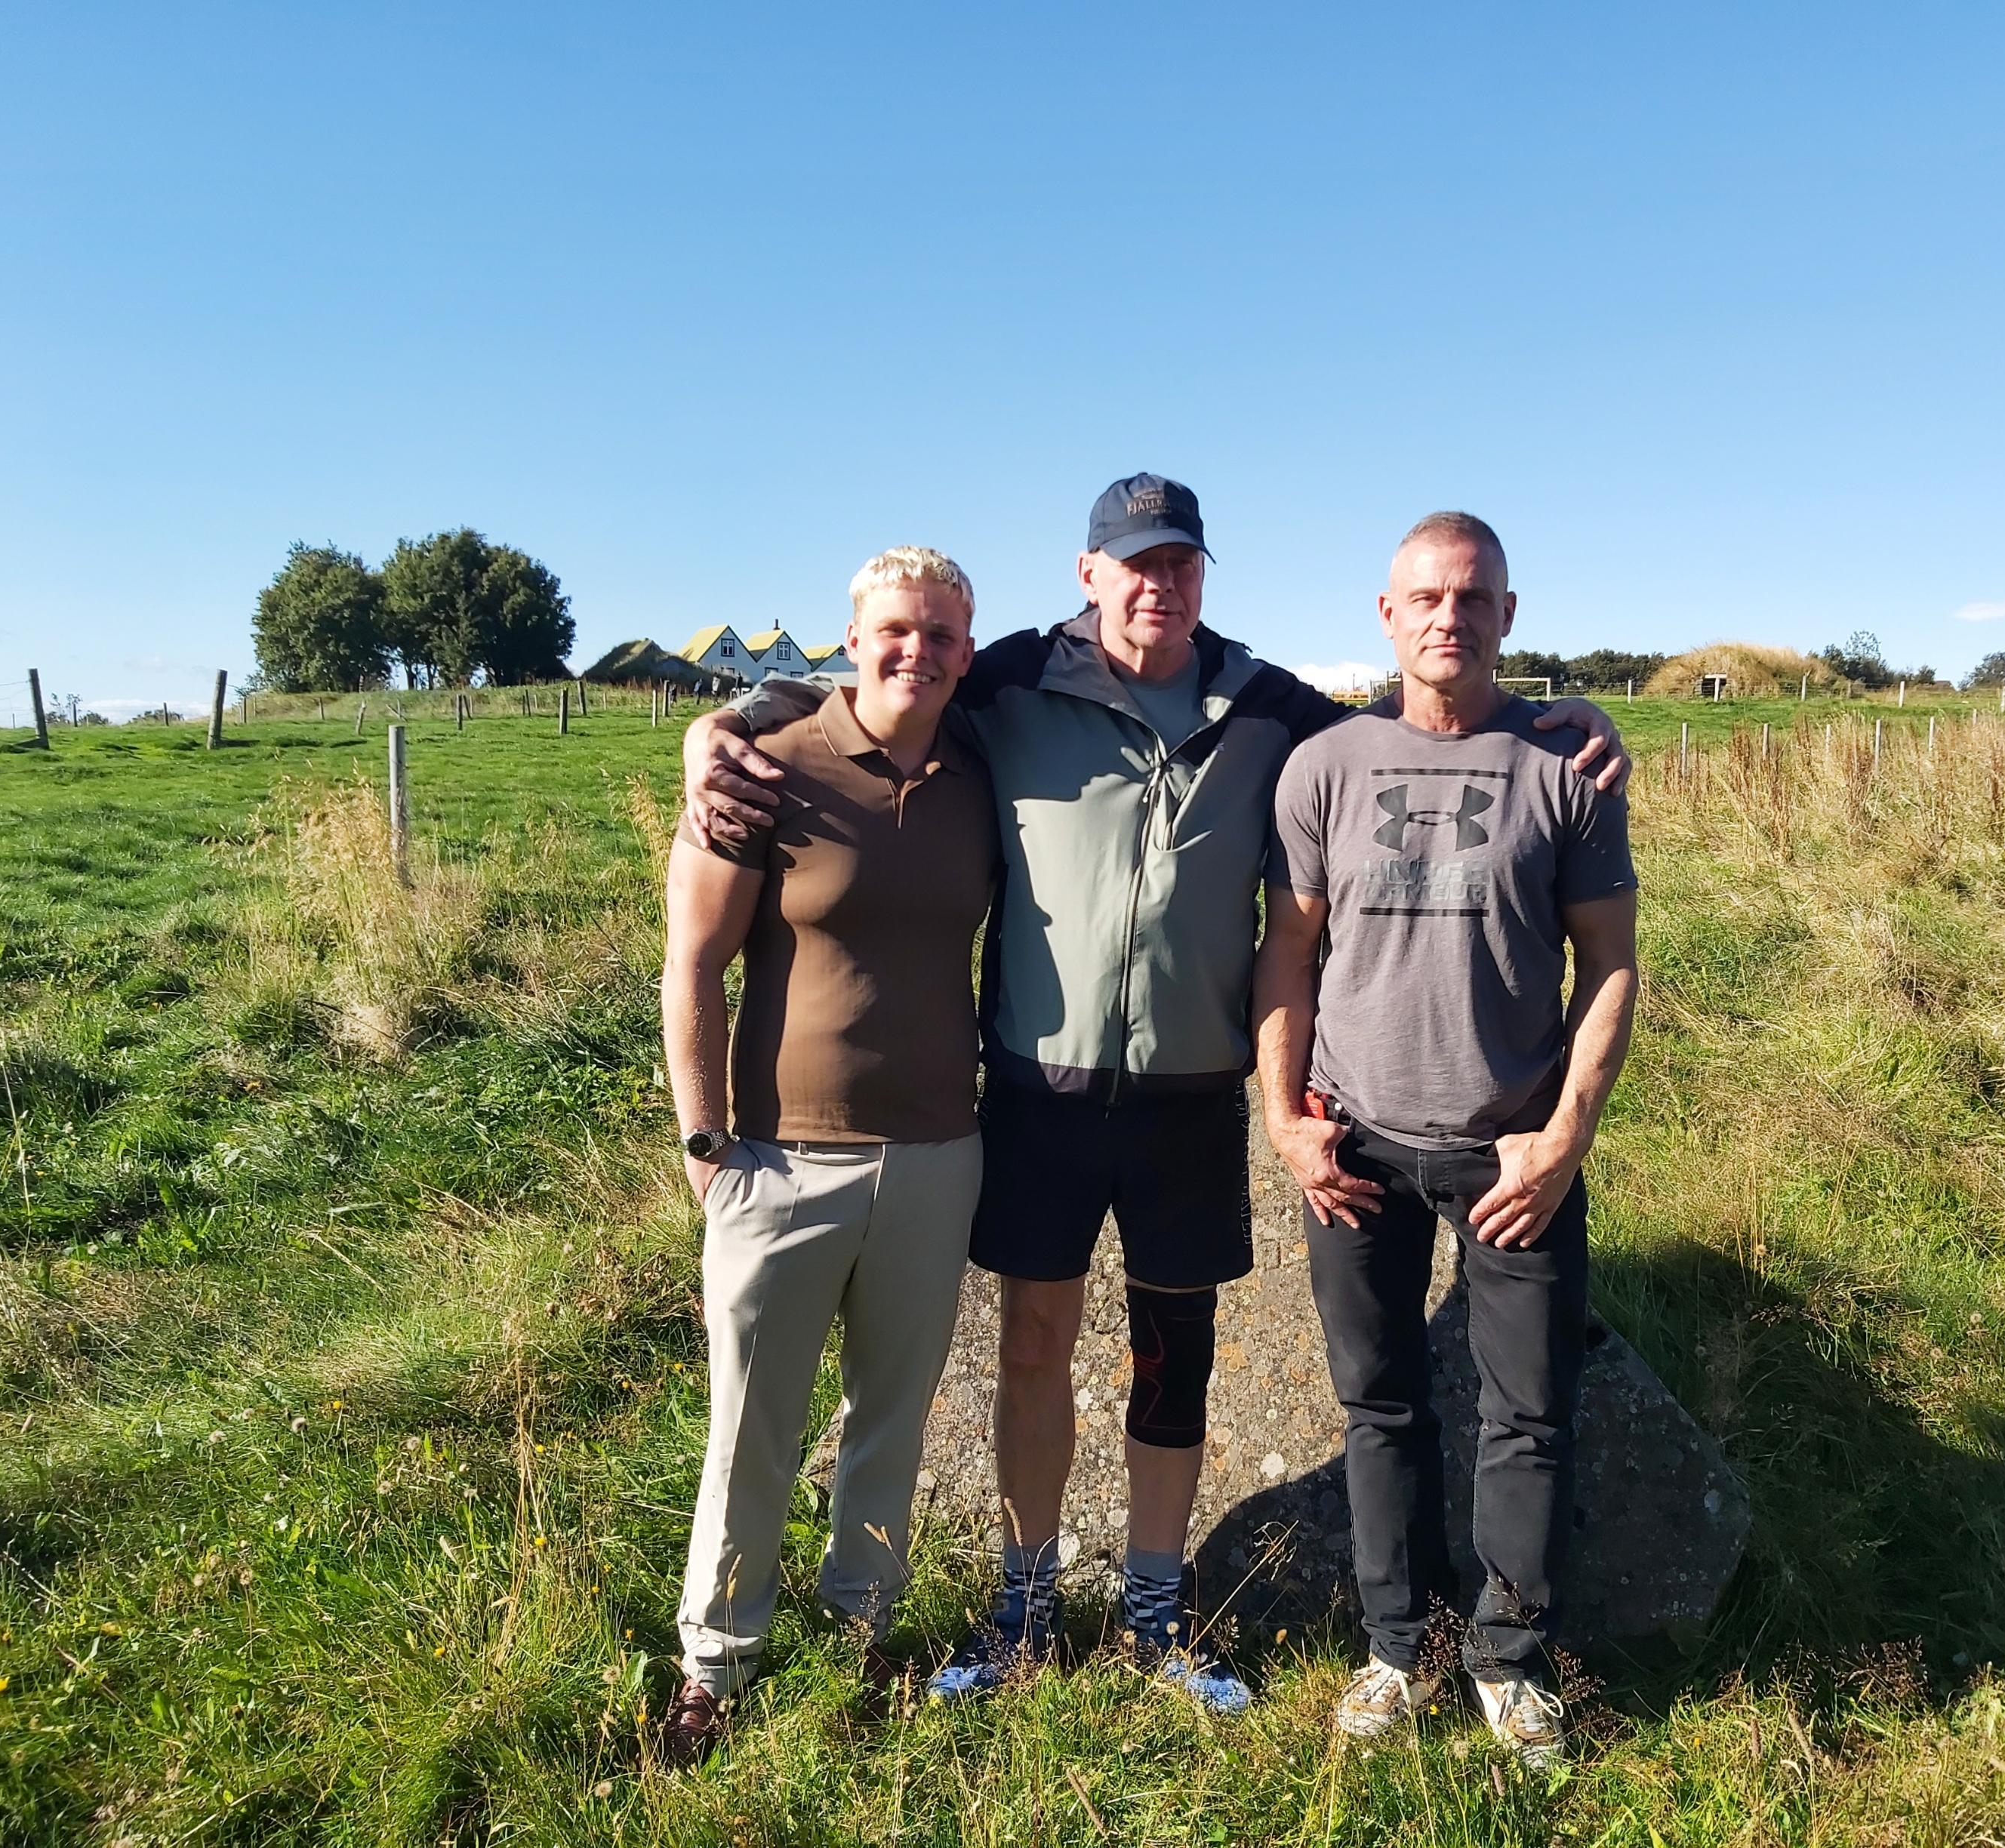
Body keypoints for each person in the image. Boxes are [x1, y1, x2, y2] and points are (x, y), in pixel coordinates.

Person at [681, 475, 1630, 1716]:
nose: (1157, 584)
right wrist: (729, 721)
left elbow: (1414, 716)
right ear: (1089, 575)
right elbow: (882, 688)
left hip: (1190, 1092)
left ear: (1202, 576)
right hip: (1041, 1088)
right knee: (1033, 1344)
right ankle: (1025, 1604)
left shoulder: (1266, 706)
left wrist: (1565, 708)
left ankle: (1155, 1607)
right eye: (1133, 562)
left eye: (1180, 562)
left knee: (1170, 1357)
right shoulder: (1014, 679)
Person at [1254, 512, 1639, 1771]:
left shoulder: (1563, 769)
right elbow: (1289, 955)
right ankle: (1394, 1644)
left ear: (1509, 616)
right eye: (1425, 597)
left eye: (1473, 599)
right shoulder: (1322, 766)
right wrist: (1285, 1120)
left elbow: (1611, 966)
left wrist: (1564, 1139)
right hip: (1355, 1139)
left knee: (1529, 1413)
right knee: (1380, 1404)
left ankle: (1513, 1662)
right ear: (1386, 613)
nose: (1448, 619)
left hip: (1509, 1148)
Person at [658, 547, 996, 1765]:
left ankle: (864, 1631)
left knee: (891, 1415)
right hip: (780, 1159)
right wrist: (708, 1145)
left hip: (939, 1152)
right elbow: (692, 961)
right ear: (850, 638)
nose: (920, 652)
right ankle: (718, 1657)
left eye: (944, 634)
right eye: (897, 629)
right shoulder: (765, 772)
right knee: (752, 1419)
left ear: (970, 646)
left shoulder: (979, 772)